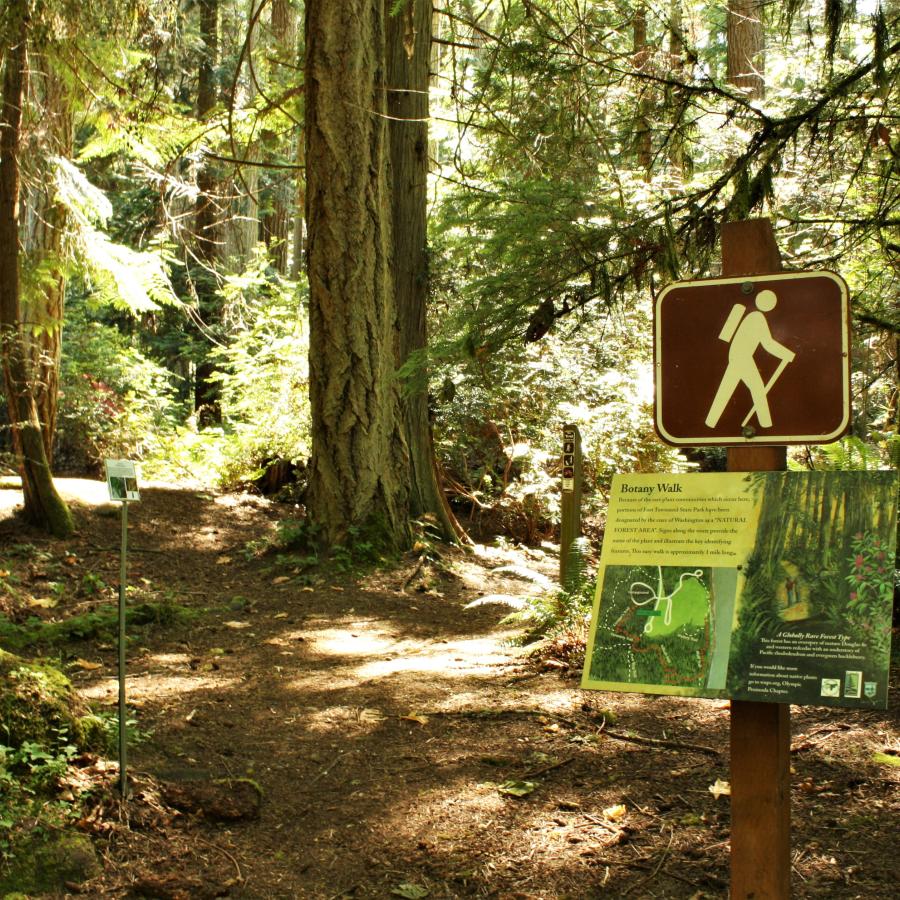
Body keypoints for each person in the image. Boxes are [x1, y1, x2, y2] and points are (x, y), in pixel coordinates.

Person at [705, 289, 795, 429]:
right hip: (742, 357)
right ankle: (766, 424)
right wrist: (786, 354)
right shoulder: (757, 317)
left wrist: (785, 354)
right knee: (757, 388)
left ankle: (710, 422)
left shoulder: (752, 315)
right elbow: (767, 343)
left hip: (737, 355)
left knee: (726, 388)